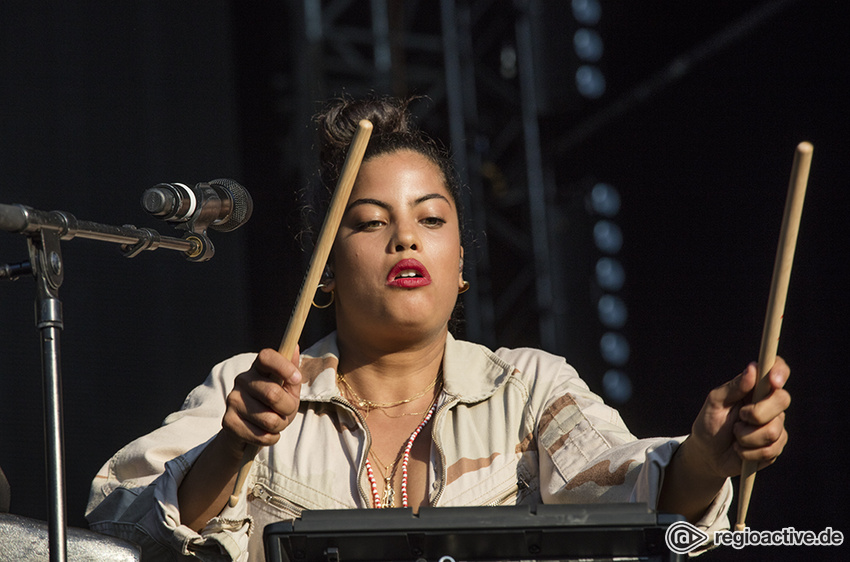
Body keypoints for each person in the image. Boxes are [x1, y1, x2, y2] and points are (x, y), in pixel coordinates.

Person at [85, 96, 790, 561]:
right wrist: (233, 450)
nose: (404, 240)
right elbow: (115, 530)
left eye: (431, 219)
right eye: (368, 222)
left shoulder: (528, 388)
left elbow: (629, 497)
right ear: (324, 272)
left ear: (460, 269)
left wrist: (706, 455)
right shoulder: (255, 388)